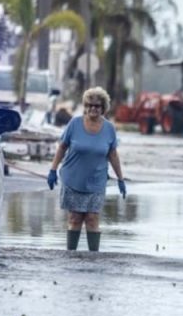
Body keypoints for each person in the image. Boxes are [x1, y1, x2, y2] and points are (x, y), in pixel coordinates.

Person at [47, 87, 126, 251]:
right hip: (73, 179)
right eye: (89, 105)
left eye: (97, 105)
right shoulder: (74, 124)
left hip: (96, 181)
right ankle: (71, 256)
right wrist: (53, 170)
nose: (92, 108)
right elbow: (62, 147)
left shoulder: (109, 129)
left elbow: (113, 154)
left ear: (103, 108)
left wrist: (120, 179)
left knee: (92, 218)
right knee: (75, 218)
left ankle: (93, 258)